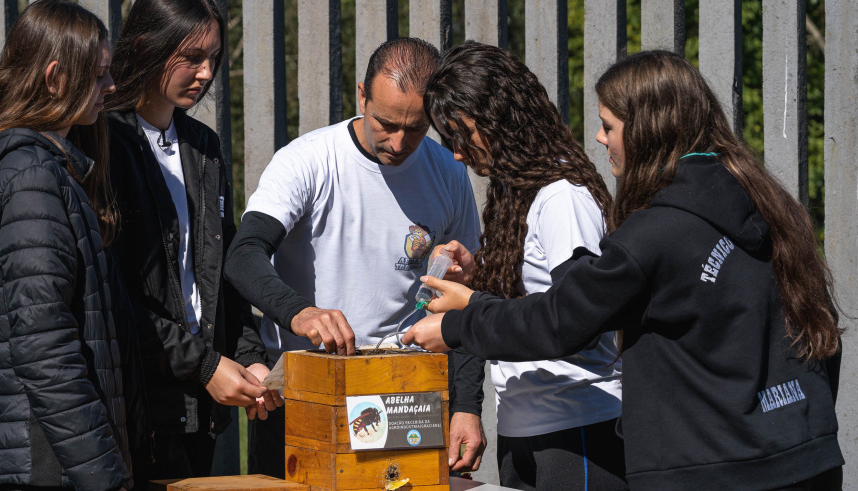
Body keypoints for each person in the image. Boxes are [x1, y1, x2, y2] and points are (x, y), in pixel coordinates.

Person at [404, 50, 844, 490]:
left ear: (649, 130)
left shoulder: (652, 232)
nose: (598, 138)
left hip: (712, 468)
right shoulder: (768, 204)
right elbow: (822, 337)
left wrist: (465, 317)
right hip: (804, 454)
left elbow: (563, 320)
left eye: (609, 126)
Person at [224, 37, 487, 478]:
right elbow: (243, 254)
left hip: (406, 396)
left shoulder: (448, 172)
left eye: (417, 128)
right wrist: (301, 314)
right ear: (362, 95)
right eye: (385, 123)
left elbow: (465, 301)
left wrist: (466, 406)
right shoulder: (307, 161)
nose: (400, 141)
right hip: (303, 393)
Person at [0, 0, 132, 490]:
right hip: (50, 463)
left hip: (51, 456)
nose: (110, 88)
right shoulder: (32, 179)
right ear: (54, 78)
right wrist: (102, 475)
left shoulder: (46, 169)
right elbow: (44, 347)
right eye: (98, 75)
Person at [422, 42, 626, 490]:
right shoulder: (516, 192)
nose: (457, 154)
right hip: (524, 428)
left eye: (463, 135)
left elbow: (580, 318)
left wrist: (471, 306)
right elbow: (535, 296)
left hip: (577, 430)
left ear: (501, 120)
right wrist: (480, 274)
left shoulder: (561, 198)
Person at [105, 0, 280, 482]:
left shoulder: (202, 145)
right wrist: (205, 365)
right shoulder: (106, 142)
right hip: (136, 400)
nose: (206, 73)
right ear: (145, 46)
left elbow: (220, 270)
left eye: (214, 57)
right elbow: (114, 297)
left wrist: (250, 359)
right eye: (192, 56)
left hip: (200, 407)